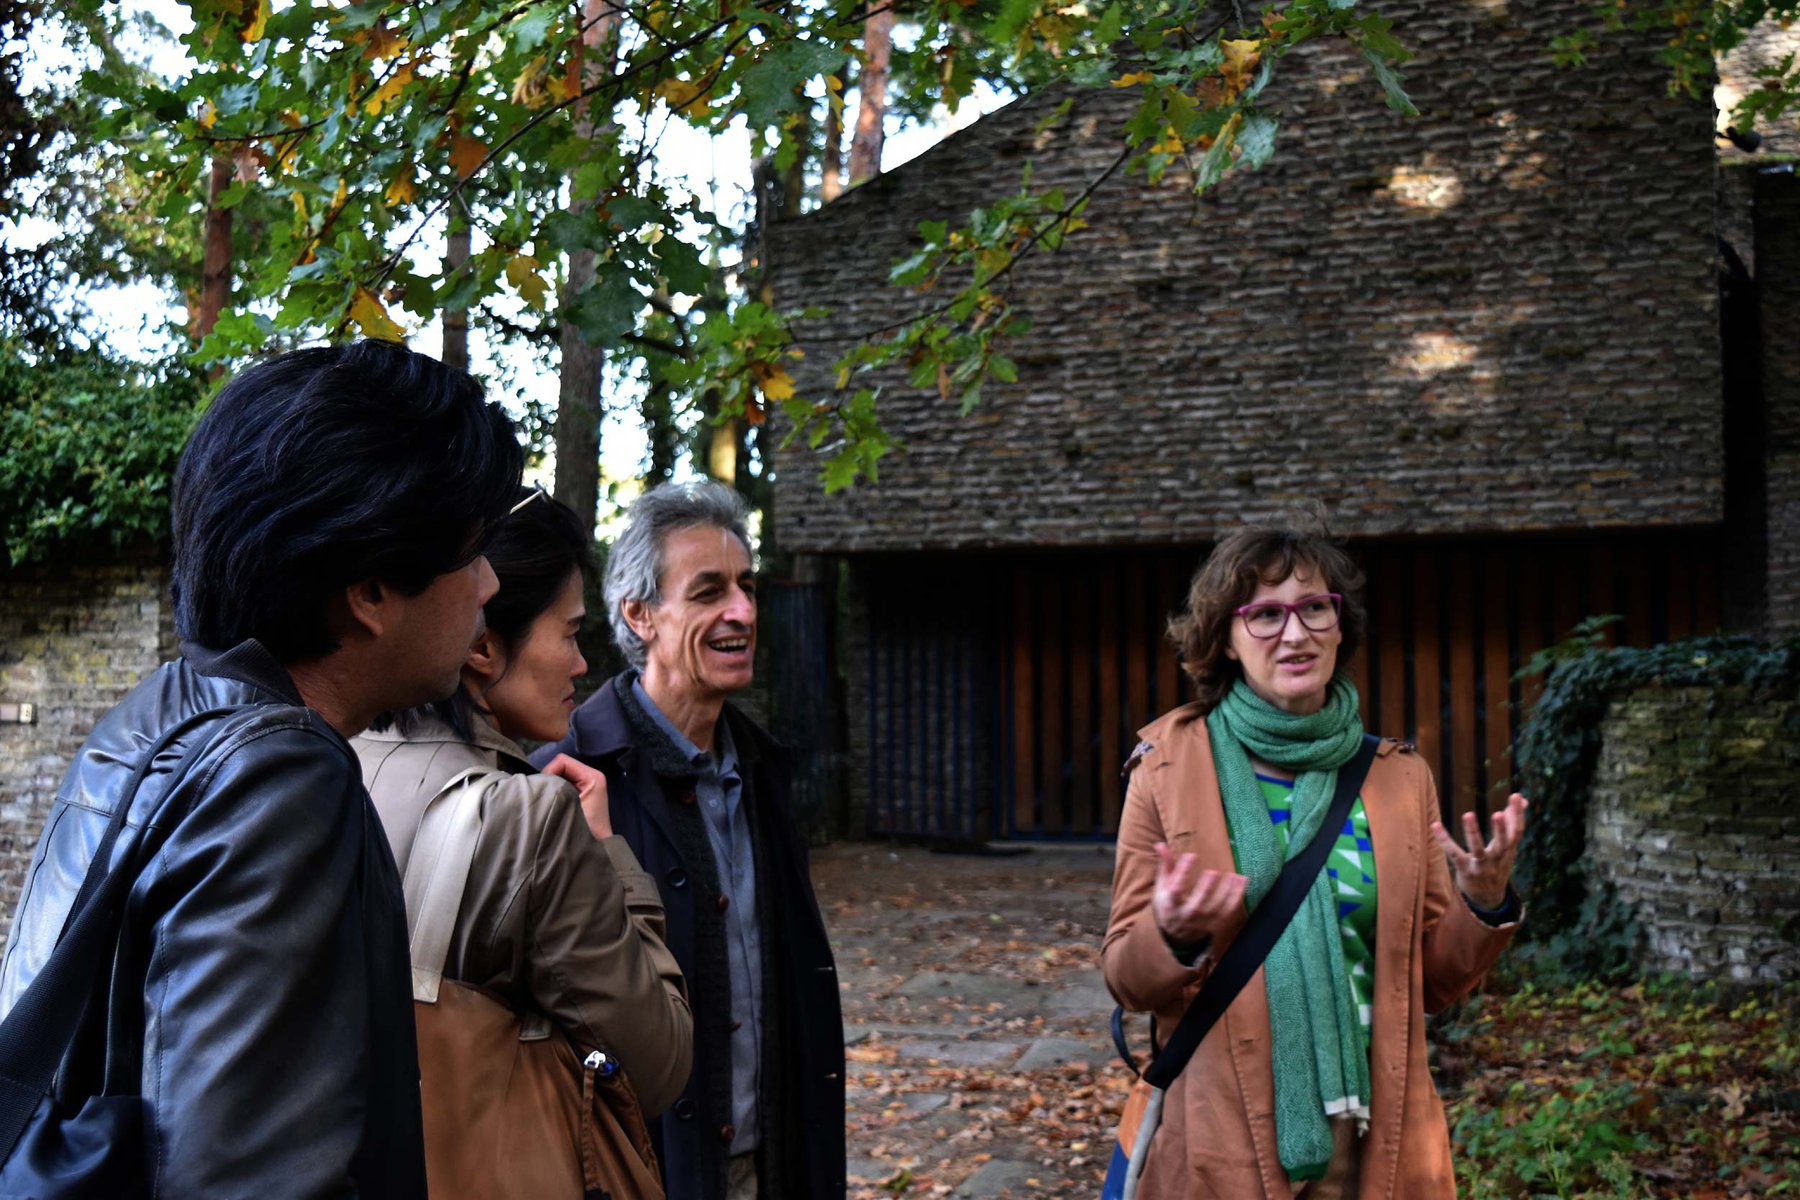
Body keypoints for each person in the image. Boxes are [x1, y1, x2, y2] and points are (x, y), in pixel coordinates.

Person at [0, 341, 523, 1197]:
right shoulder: (279, 783)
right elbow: (245, 1175)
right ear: (370, 591)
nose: (490, 583)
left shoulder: (158, 718)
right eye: (471, 552)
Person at [1101, 525, 1528, 1199]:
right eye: (1266, 615)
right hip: (1223, 1137)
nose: (1295, 634)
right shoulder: (1168, 770)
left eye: (1314, 608)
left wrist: (1482, 902)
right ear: (1226, 639)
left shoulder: (1398, 778)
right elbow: (1127, 978)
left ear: (1339, 624)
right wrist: (1173, 936)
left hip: (1375, 1137)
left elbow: (1431, 982)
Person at [352, 486, 693, 1173]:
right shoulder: (531, 821)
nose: (582, 663)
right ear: (482, 646)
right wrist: (606, 853)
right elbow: (658, 1062)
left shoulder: (333, 761)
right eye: (568, 633)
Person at [532, 480, 845, 1200]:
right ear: (639, 614)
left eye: (746, 587)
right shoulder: (567, 778)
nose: (744, 611)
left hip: (774, 1164)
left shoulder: (763, 771)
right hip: (641, 1175)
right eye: (709, 592)